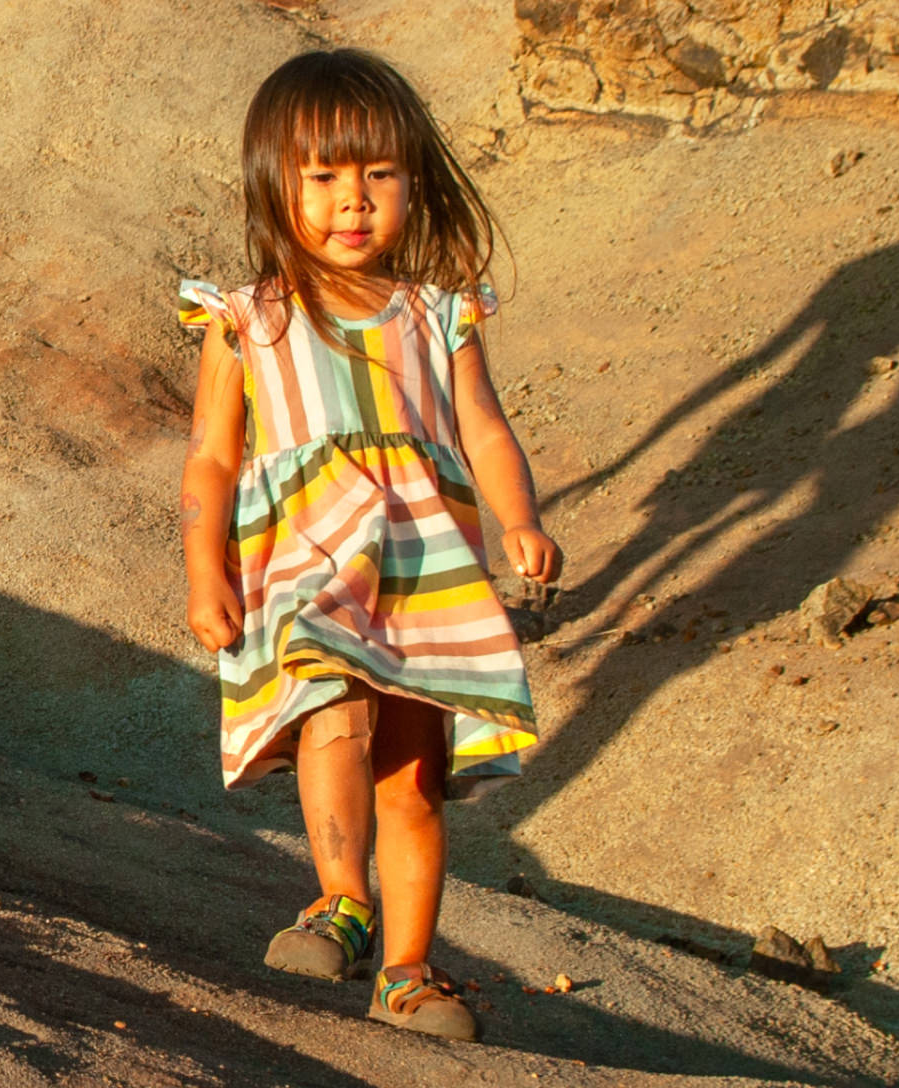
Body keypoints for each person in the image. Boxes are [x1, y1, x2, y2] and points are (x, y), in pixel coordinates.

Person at [176, 48, 562, 1042]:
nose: (353, 201)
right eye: (324, 177)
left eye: (379, 174)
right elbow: (211, 459)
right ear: (276, 184)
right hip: (311, 561)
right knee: (334, 714)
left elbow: (485, 431)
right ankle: (341, 899)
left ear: (413, 183)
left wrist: (519, 518)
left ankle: (407, 969)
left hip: (426, 569)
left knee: (416, 778)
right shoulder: (248, 319)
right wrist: (204, 571)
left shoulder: (440, 314)